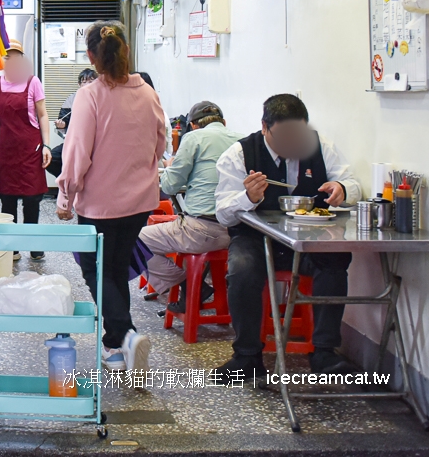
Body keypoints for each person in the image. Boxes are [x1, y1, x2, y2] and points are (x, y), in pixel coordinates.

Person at [213, 93, 363, 383]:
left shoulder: (321, 147)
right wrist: (247, 197)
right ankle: (247, 357)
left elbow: (352, 183)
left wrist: (343, 188)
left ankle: (324, 353)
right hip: (255, 237)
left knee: (335, 257)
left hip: (307, 237)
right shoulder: (239, 154)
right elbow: (223, 214)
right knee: (242, 268)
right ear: (265, 127)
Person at [57, 21, 170, 373]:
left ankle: (126, 333)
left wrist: (66, 199)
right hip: (140, 203)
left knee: (95, 268)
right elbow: (161, 143)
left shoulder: (90, 95)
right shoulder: (148, 92)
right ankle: (113, 346)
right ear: (126, 50)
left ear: (92, 56)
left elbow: (76, 153)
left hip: (101, 204)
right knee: (116, 267)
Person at [138, 101, 242, 311]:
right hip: (239, 232)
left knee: (132, 242)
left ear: (193, 125)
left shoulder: (194, 138)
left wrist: (169, 168)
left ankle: (188, 285)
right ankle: (199, 288)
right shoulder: (242, 140)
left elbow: (170, 184)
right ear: (223, 122)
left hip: (202, 231)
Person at [0, 43, 51, 260]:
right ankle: (13, 247)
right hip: (6, 150)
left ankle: (33, 244)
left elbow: (42, 114)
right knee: (7, 200)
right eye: (8, 58)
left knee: (32, 200)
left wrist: (46, 145)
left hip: (30, 148)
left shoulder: (33, 82)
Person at [47, 68, 97, 178]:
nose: (87, 85)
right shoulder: (72, 99)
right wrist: (62, 125)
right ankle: (68, 181)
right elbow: (64, 121)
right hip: (75, 142)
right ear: (79, 84)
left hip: (96, 145)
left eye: (91, 81)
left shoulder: (102, 99)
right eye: (84, 82)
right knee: (50, 158)